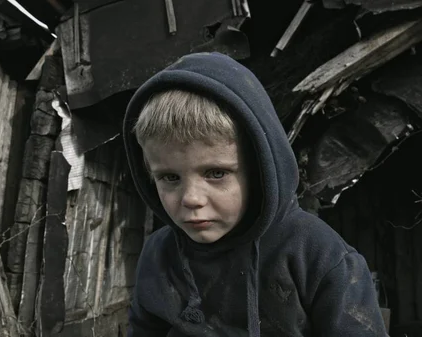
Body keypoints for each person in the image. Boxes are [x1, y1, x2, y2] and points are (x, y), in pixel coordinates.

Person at [122, 52, 387, 336]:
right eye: (169, 177)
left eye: (216, 173)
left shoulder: (319, 256)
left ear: (259, 170)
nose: (191, 199)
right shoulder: (158, 254)